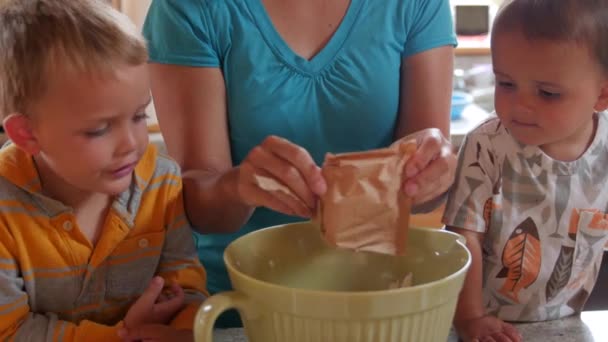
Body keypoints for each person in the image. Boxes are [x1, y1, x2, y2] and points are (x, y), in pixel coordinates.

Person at [143, 0, 458, 327]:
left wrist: (433, 173)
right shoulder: (189, 8)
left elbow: (426, 191)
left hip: (376, 295)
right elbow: (200, 207)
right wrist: (238, 187)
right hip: (241, 304)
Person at [0, 1, 207, 341]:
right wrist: (123, 336)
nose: (131, 144)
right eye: (99, 129)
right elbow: (9, 332)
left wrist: (183, 329)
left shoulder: (161, 180)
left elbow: (186, 288)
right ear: (27, 134)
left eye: (140, 116)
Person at [443, 0, 608, 341]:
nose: (520, 105)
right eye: (505, 83)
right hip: (484, 323)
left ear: (602, 94)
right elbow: (463, 236)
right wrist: (470, 317)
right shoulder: (486, 146)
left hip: (566, 322)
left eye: (547, 93)